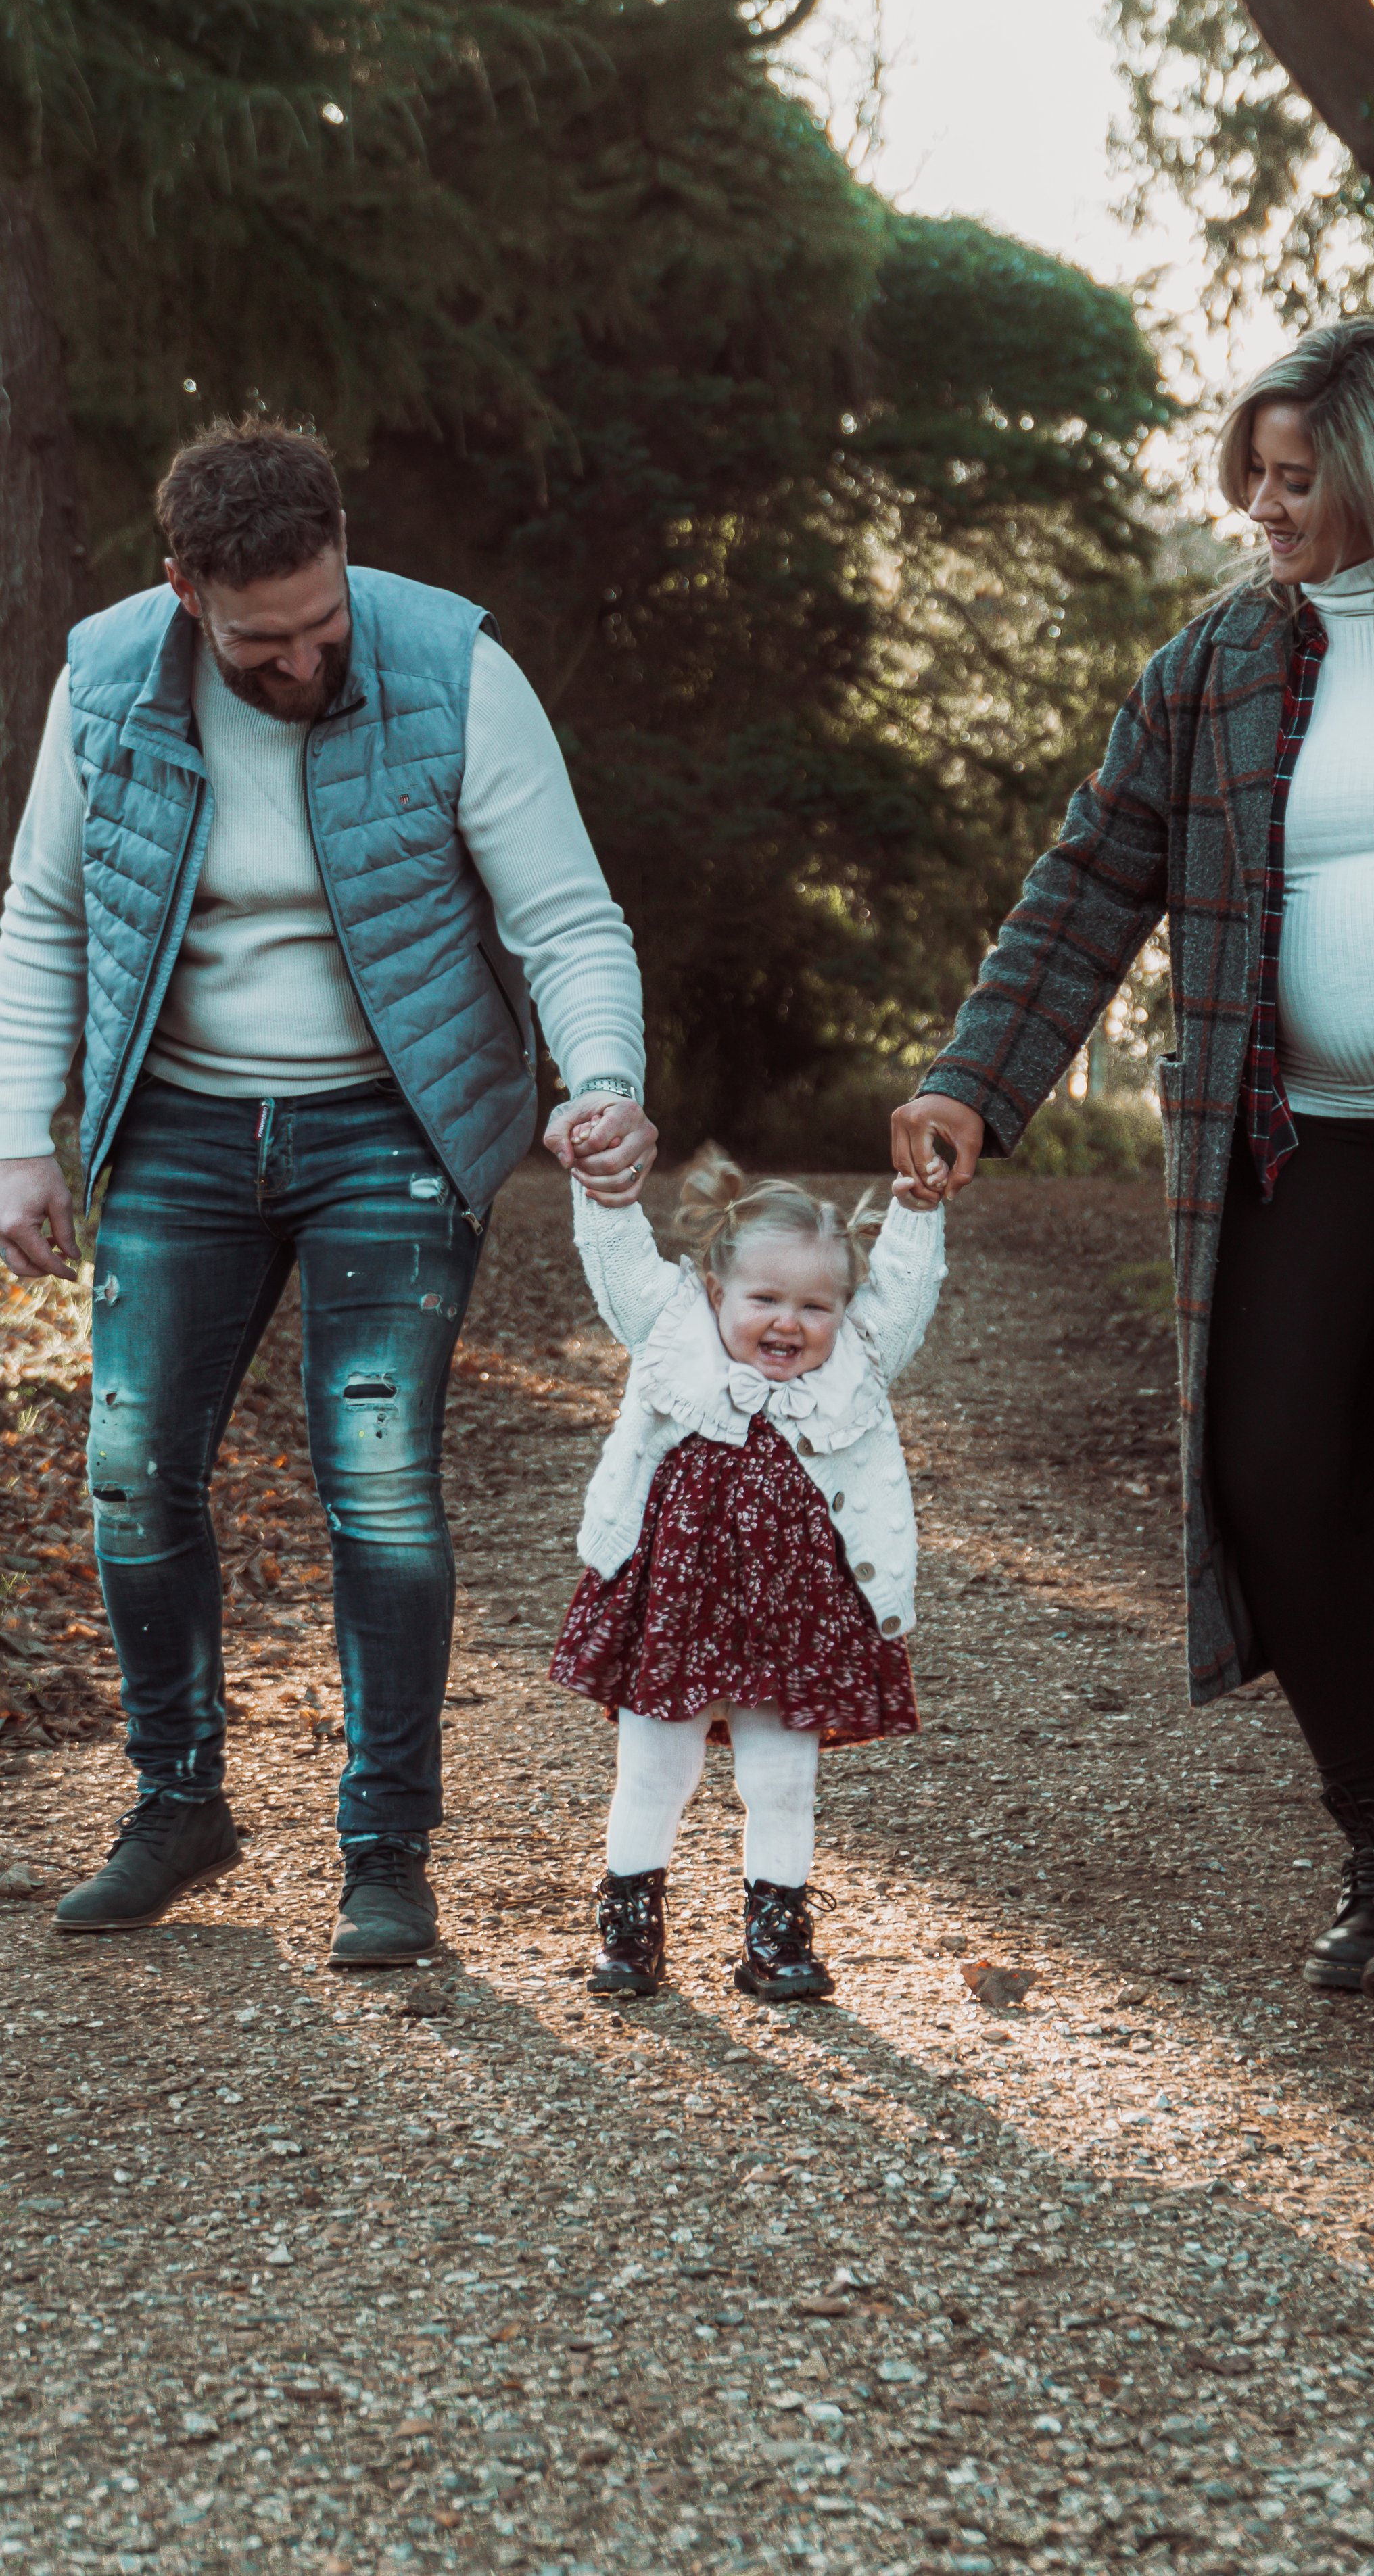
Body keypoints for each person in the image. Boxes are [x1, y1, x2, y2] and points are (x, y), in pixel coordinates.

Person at [894, 314, 1374, 2038]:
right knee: (1262, 1471)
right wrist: (976, 1078)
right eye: (1250, 475)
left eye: (1295, 478)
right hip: (1296, 1122)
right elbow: (1091, 876)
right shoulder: (1212, 669)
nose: (1262, 506)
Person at [0, 416, 657, 1967]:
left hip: (396, 1119)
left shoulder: (453, 668)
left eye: (321, 622)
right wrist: (21, 1128)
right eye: (259, 642)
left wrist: (603, 1076)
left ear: (345, 554)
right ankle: (177, 1800)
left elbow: (566, 915)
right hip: (180, 1122)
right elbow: (42, 912)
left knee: (376, 1471)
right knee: (130, 1461)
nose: (300, 663)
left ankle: (386, 1843)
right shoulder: (105, 678)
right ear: (185, 593)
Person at [550, 1145, 945, 2000]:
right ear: (715, 1290)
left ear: (844, 1308)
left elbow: (906, 1295)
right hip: (675, 1606)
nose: (789, 1323)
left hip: (795, 1614)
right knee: (656, 1769)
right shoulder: (671, 1332)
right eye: (765, 1298)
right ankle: (629, 1926)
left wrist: (919, 1207)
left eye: (815, 1305)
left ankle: (775, 1932)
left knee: (781, 1777)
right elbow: (619, 1265)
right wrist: (601, 1190)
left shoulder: (857, 1363)